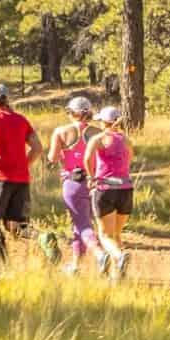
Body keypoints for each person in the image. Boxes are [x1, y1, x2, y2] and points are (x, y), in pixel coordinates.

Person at [0, 84, 44, 266]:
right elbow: (37, 148)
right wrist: (22, 165)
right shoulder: (21, 120)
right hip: (21, 180)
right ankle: (43, 238)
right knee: (17, 227)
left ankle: (0, 267)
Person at [49, 97, 101, 275]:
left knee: (81, 224)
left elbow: (52, 158)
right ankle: (76, 264)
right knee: (86, 223)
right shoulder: (98, 132)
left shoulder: (61, 131)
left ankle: (100, 255)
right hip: (95, 181)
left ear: (70, 112)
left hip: (73, 181)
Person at [85, 107, 132, 281]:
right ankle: (117, 276)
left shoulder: (98, 139)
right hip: (126, 189)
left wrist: (91, 176)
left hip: (105, 189)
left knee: (105, 235)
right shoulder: (126, 140)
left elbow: (87, 158)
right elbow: (130, 159)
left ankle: (119, 257)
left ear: (104, 122)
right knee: (116, 235)